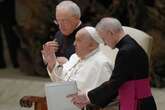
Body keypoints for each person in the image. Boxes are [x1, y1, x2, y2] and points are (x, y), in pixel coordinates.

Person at [69, 18, 157, 110]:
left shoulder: (126, 51)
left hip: (138, 103)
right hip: (138, 99)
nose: (105, 44)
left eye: (103, 39)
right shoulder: (130, 46)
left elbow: (114, 83)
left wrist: (87, 96)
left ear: (110, 33)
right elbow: (118, 83)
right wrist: (90, 100)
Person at [42, 26, 113, 93]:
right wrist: (52, 62)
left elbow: (103, 95)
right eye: (75, 40)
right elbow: (60, 81)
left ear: (91, 45)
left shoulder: (102, 64)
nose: (74, 43)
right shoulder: (74, 57)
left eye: (78, 40)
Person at [0, 0, 20, 68]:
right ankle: (1, 62)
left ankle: (16, 61)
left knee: (11, 36)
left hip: (7, 7)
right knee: (10, 35)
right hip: (7, 7)